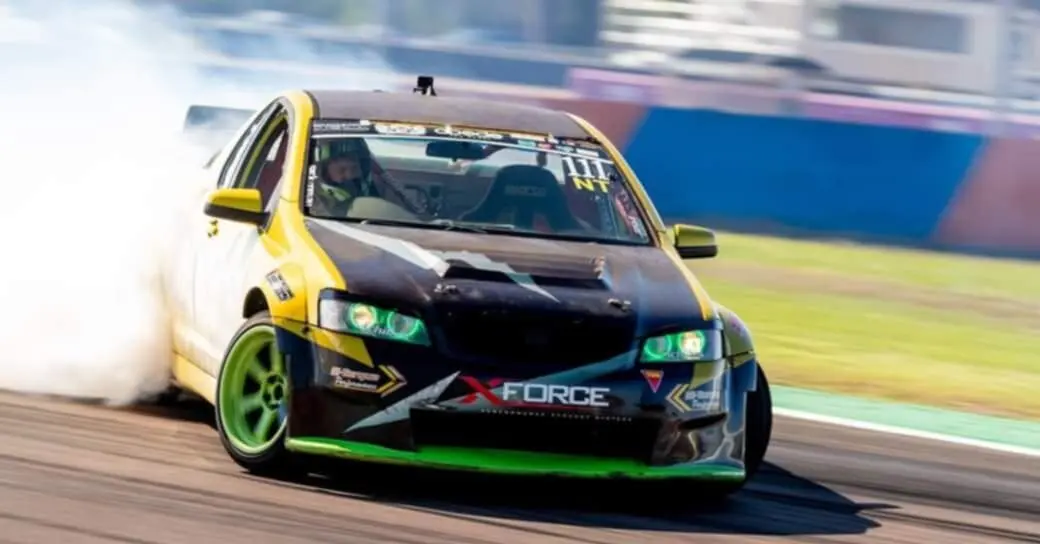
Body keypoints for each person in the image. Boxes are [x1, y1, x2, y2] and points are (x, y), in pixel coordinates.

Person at [309, 139, 428, 217]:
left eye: (355, 169)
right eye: (342, 170)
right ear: (323, 164)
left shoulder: (369, 182)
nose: (348, 176)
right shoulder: (307, 192)